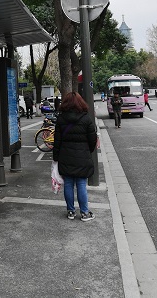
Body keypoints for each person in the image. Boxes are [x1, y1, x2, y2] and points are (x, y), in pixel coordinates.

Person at [53, 92, 98, 222]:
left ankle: (71, 211)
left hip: (65, 156)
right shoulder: (86, 118)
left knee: (68, 183)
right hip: (82, 156)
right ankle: (84, 213)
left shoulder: (61, 119)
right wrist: (87, 151)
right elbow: (92, 139)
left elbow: (57, 141)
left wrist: (56, 157)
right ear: (80, 103)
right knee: (81, 184)